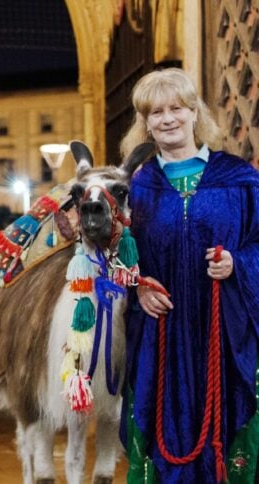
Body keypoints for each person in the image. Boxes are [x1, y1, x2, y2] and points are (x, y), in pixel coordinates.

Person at [119, 67, 259, 483]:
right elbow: (116, 260)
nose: (167, 119)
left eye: (176, 108)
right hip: (160, 335)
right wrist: (138, 288)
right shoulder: (136, 188)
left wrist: (238, 264)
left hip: (225, 332)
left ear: (194, 112)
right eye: (155, 112)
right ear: (144, 123)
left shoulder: (240, 180)